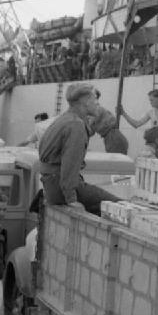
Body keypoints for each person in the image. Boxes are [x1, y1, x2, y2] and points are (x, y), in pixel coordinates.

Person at [38, 83, 123, 216]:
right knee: (121, 207)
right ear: (86, 102)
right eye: (95, 100)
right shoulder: (76, 125)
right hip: (60, 188)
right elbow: (70, 166)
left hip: (52, 186)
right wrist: (71, 200)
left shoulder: (64, 119)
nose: (97, 104)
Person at [118, 89, 158, 159]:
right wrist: (123, 113)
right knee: (148, 163)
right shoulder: (150, 112)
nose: (150, 102)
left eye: (152, 100)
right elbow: (136, 124)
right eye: (150, 100)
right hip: (152, 144)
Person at [89, 89, 129, 154]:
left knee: (115, 160)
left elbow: (89, 127)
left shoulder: (96, 109)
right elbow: (91, 131)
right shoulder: (95, 110)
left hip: (114, 138)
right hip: (111, 138)